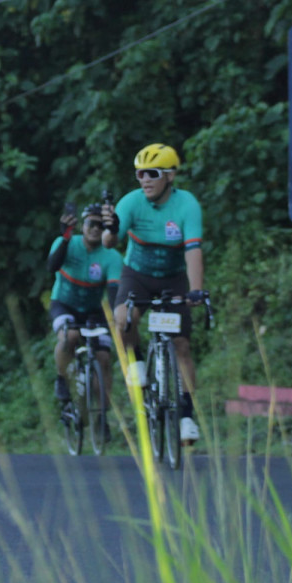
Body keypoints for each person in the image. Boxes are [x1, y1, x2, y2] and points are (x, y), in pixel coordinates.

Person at [104, 143, 206, 443]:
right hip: (137, 275)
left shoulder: (187, 205)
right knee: (123, 319)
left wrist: (196, 290)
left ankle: (187, 416)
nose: (145, 180)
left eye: (152, 173)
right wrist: (110, 229)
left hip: (173, 279)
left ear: (170, 176)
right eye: (140, 174)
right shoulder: (130, 202)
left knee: (181, 345)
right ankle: (136, 361)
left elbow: (193, 250)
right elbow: (109, 243)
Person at [48, 202, 122, 404]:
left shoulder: (112, 256)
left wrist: (116, 317)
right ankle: (62, 378)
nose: (96, 229)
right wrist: (65, 238)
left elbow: (114, 292)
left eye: (101, 225)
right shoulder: (66, 243)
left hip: (93, 311)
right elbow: (51, 267)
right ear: (82, 225)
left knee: (103, 358)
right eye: (91, 224)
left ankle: (102, 412)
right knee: (69, 337)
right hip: (63, 304)